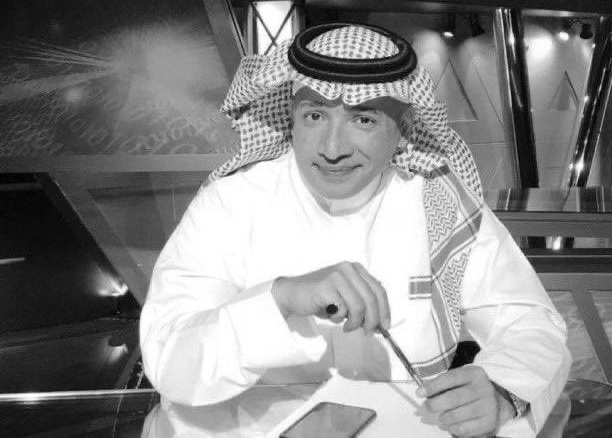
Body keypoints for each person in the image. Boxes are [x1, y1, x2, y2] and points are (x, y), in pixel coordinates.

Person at [140, 23, 571, 437]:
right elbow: (168, 356)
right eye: (314, 116)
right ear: (291, 117)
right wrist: (280, 298)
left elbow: (531, 323)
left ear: (403, 128)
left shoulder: (439, 204)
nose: (332, 149)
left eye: (363, 120)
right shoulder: (230, 204)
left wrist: (501, 389)